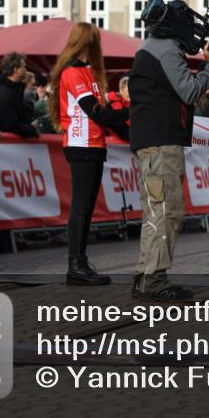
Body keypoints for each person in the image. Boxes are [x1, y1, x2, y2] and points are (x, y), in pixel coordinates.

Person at [128, 0, 209, 302]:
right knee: (167, 211)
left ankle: (146, 275)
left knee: (155, 211)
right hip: (161, 145)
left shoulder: (149, 49)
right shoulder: (167, 49)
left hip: (149, 144)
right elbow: (189, 91)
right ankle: (154, 280)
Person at [48, 23, 130, 286]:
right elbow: (94, 111)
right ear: (88, 43)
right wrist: (132, 113)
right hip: (81, 143)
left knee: (87, 206)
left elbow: (100, 113)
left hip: (93, 144)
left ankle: (80, 262)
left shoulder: (86, 73)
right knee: (81, 206)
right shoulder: (73, 72)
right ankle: (75, 264)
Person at [0, 52, 40, 138]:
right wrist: (31, 129)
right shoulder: (4, 91)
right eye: (24, 66)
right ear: (16, 70)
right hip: (5, 146)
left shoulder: (15, 89)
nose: (26, 69)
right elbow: (10, 124)